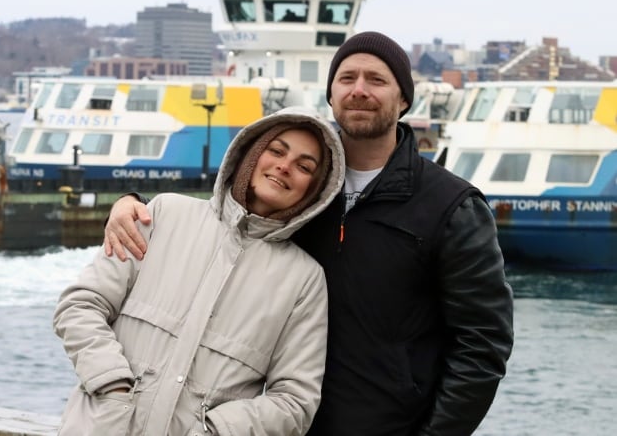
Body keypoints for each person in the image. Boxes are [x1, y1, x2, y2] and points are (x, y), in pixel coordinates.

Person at [103, 31, 514, 435]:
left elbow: (483, 345)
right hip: (273, 424)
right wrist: (130, 203)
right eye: (347, 78)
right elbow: (227, 218)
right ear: (331, 95)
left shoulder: (452, 206)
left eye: (377, 80)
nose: (359, 90)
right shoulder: (301, 189)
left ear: (404, 99)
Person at [53, 106, 345, 435]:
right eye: (276, 150)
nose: (284, 166)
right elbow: (80, 305)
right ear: (250, 153)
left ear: (315, 189)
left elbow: (294, 402)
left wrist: (215, 430)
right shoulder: (163, 214)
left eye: (304, 166)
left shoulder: (304, 281)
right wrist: (112, 386)